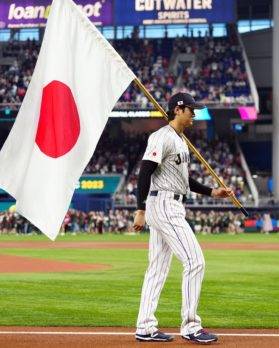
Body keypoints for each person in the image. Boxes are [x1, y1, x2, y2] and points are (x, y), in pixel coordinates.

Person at [133, 92, 234, 344]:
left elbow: (184, 180)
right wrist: (140, 209)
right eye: (191, 109)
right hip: (164, 204)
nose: (194, 114)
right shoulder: (161, 137)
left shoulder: (180, 140)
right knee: (195, 261)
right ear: (178, 110)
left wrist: (213, 191)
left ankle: (145, 326)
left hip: (172, 202)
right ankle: (191, 326)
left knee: (157, 268)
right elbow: (145, 172)